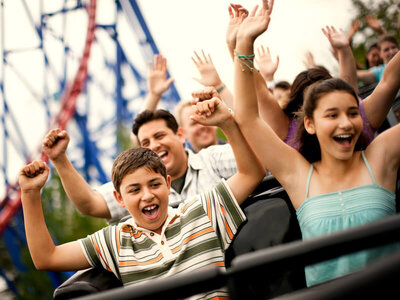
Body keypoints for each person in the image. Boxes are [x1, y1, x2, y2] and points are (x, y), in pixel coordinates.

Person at [20, 95, 265, 298]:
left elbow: (252, 172)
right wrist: (30, 194)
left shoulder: (202, 210)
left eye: (154, 184)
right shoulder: (116, 240)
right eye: (135, 190)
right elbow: (46, 257)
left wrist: (227, 123)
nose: (147, 195)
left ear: (167, 184)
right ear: (119, 198)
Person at [232, 0, 400, 286]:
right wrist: (244, 42)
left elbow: (392, 77)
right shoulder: (298, 175)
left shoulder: (381, 156)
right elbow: (248, 117)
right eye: (332, 115)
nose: (345, 123)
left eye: (351, 113)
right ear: (309, 124)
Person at [43, 105, 241, 224]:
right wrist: (60, 160)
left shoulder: (212, 160)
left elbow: (258, 159)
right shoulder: (138, 188)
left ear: (180, 135)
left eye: (160, 136)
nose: (154, 145)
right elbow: (90, 204)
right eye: (146, 143)